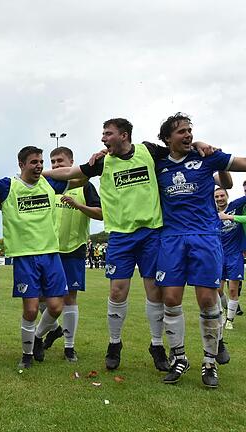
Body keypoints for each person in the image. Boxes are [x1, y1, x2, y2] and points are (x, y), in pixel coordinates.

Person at [44, 118, 173, 372]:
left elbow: (177, 151)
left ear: (123, 135)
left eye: (108, 133)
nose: (103, 138)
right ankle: (114, 344)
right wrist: (34, 173)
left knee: (154, 292)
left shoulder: (150, 151)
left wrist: (201, 144)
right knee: (116, 293)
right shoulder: (102, 162)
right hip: (120, 237)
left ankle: (157, 345)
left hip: (150, 234)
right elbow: (71, 173)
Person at [152, 113, 246, 388]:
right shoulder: (158, 164)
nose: (188, 135)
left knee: (207, 300)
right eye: (181, 131)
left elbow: (239, 165)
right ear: (168, 138)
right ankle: (179, 357)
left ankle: (210, 361)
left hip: (205, 237)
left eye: (190, 131)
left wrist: (206, 146)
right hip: (171, 238)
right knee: (170, 298)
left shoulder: (207, 157)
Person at [0, 146, 73, 369]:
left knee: (56, 307)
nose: (39, 166)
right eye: (34, 162)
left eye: (41, 162)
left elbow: (77, 175)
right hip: (25, 256)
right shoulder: (8, 186)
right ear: (21, 164)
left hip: (50, 253)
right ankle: (26, 355)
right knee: (31, 309)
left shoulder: (49, 183)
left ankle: (36, 338)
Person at [39, 147, 102, 362]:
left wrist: (79, 205)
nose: (56, 165)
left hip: (73, 249)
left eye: (60, 161)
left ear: (72, 161)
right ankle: (54, 329)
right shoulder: (46, 185)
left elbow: (102, 213)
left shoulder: (84, 185)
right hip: (46, 249)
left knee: (69, 299)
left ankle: (69, 347)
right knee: (38, 297)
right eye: (53, 162)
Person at [215, 188, 246, 330]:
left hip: (235, 254)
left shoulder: (235, 205)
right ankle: (227, 309)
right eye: (217, 197)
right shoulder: (212, 213)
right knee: (217, 290)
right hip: (219, 255)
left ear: (227, 196)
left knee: (233, 290)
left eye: (222, 195)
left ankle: (229, 320)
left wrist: (229, 217)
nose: (220, 198)